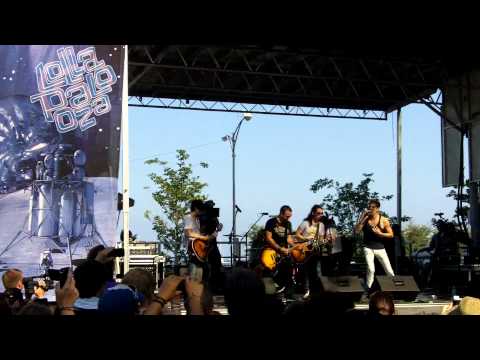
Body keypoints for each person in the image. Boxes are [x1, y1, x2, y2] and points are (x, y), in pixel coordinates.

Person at [355, 199, 395, 293]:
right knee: (371, 269)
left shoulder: (383, 220)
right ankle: (368, 290)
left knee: (389, 270)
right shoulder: (365, 219)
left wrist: (380, 233)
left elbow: (391, 234)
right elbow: (357, 231)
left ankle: (394, 289)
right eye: (369, 207)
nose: (370, 209)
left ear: (377, 208)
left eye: (372, 207)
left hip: (380, 248)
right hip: (367, 247)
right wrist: (362, 217)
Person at [183, 200, 218, 286]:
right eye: (201, 209)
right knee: (194, 272)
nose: (202, 212)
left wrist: (213, 234)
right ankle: (191, 291)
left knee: (205, 270)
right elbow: (188, 233)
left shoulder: (198, 220)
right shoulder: (188, 217)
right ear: (195, 208)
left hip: (197, 248)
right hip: (191, 248)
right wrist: (205, 237)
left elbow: (198, 234)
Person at [295, 205, 327, 299]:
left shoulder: (321, 225)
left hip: (315, 250)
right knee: (306, 271)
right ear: (313, 213)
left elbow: (321, 239)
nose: (320, 215)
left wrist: (324, 241)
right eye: (318, 213)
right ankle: (306, 290)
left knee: (317, 271)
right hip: (304, 250)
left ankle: (316, 291)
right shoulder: (305, 223)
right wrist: (306, 238)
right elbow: (297, 235)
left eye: (322, 213)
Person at [264, 205, 295, 298]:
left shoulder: (288, 224)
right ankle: (269, 295)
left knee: (289, 270)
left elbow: (289, 239)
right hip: (271, 251)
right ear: (281, 214)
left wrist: (295, 246)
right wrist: (278, 248)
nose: (288, 218)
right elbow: (269, 238)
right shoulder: (271, 222)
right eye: (287, 216)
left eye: (290, 216)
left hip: (284, 251)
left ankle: (289, 295)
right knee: (268, 272)